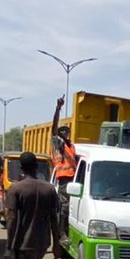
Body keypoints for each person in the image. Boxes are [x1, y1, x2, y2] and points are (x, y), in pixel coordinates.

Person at [4, 151, 61, 259]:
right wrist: (57, 244)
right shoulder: (49, 189)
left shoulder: (16, 189)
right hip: (42, 244)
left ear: (21, 168)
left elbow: (11, 219)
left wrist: (8, 247)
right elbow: (55, 218)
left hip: (23, 244)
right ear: (37, 167)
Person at [50, 96, 77, 232]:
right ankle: (61, 233)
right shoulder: (58, 145)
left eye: (66, 131)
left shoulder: (71, 146)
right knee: (64, 207)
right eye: (62, 131)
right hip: (64, 179)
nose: (65, 133)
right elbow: (54, 128)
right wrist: (58, 109)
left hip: (74, 180)